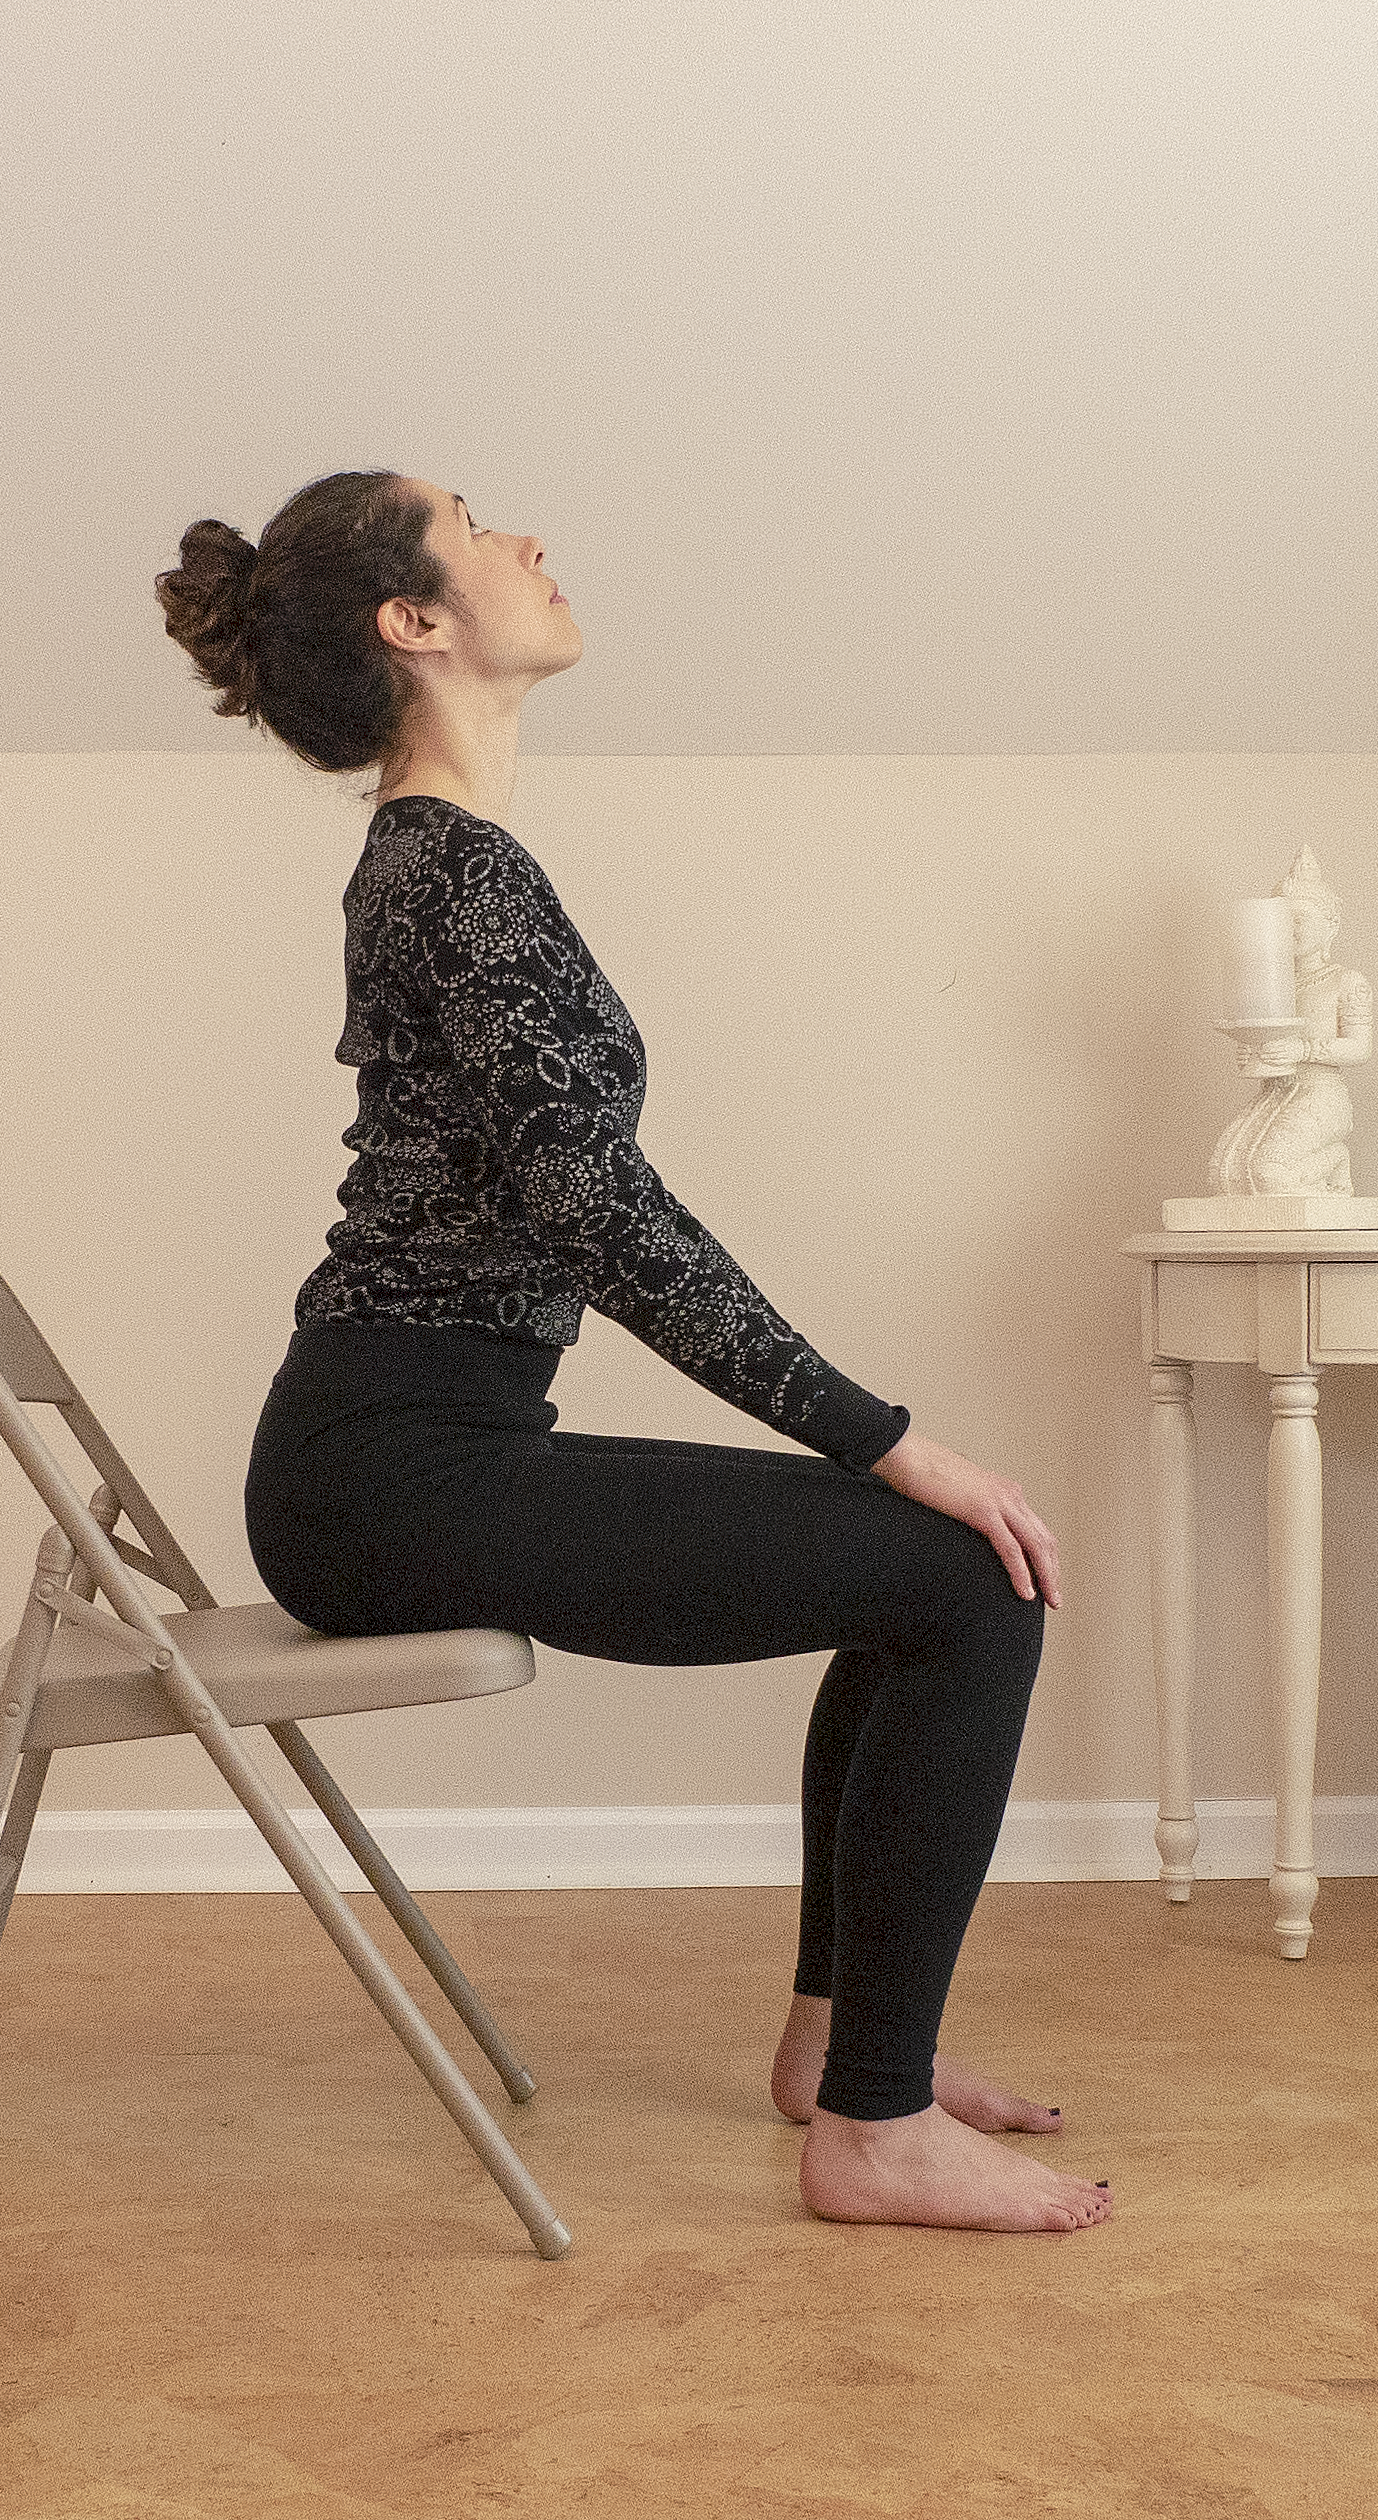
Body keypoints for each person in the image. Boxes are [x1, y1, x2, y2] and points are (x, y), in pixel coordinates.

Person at [155, 471, 1106, 2236]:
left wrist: (871, 1452)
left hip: (399, 1452)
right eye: (476, 523)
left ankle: (846, 2055)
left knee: (924, 1585)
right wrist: (884, 1437)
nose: (528, 540)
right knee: (965, 1580)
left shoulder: (448, 867)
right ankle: (873, 2123)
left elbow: (584, 1208)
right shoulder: (452, 880)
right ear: (413, 622)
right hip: (391, 1475)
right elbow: (608, 1220)